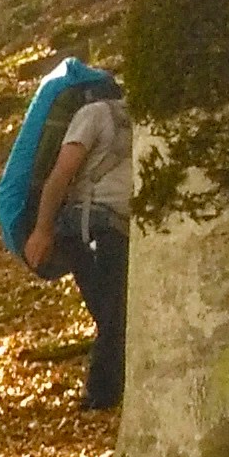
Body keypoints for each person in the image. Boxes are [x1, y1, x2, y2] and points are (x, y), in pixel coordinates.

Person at [22, 71, 132, 410]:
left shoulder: (132, 118)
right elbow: (61, 173)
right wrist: (43, 229)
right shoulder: (94, 115)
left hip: (115, 229)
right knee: (112, 314)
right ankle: (102, 395)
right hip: (91, 228)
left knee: (114, 313)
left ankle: (108, 394)